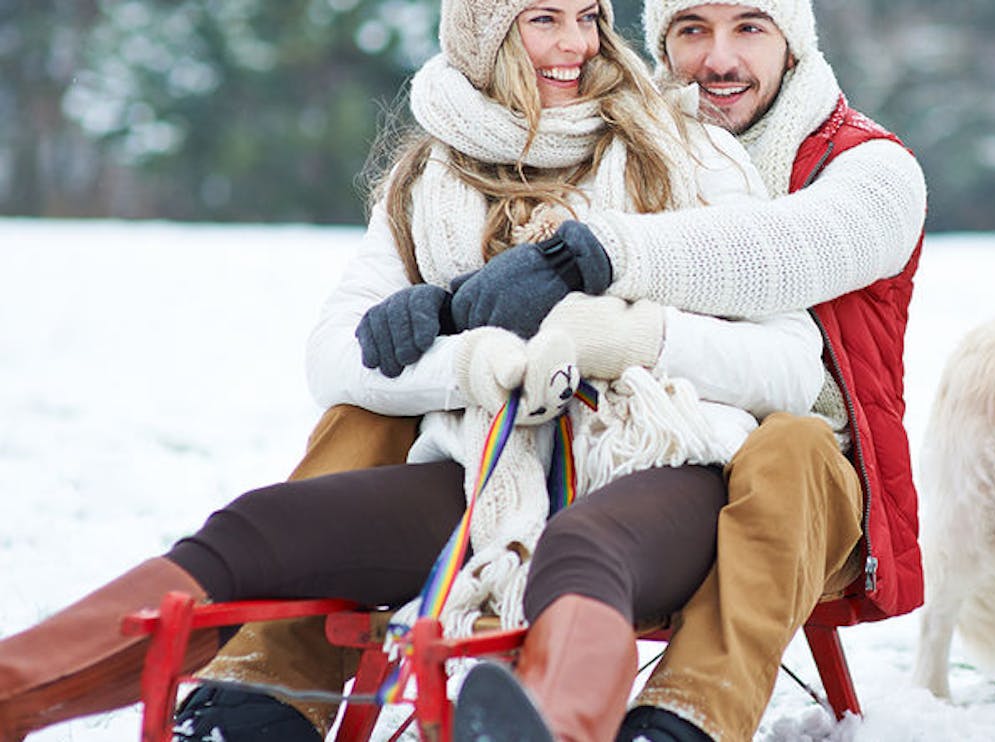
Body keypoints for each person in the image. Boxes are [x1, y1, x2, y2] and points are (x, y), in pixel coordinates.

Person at [0, 1, 827, 740]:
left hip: (662, 459)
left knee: (582, 548)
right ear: (484, 30)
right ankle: (14, 694)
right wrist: (464, 357)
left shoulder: (687, 152)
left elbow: (791, 364)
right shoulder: (428, 178)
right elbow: (334, 350)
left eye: (589, 16)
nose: (575, 43)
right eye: (544, 18)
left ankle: (552, 733)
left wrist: (630, 337)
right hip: (488, 465)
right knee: (258, 528)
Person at [180, 0, 929, 740]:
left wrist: (594, 264)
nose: (720, 59)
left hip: (798, 472)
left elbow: (781, 249)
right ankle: (265, 689)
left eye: (750, 29)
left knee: (787, 445)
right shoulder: (614, 137)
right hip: (598, 448)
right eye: (692, 31)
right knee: (366, 412)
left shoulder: (868, 168)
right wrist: (448, 320)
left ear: (794, 44)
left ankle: (684, 721)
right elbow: (342, 349)